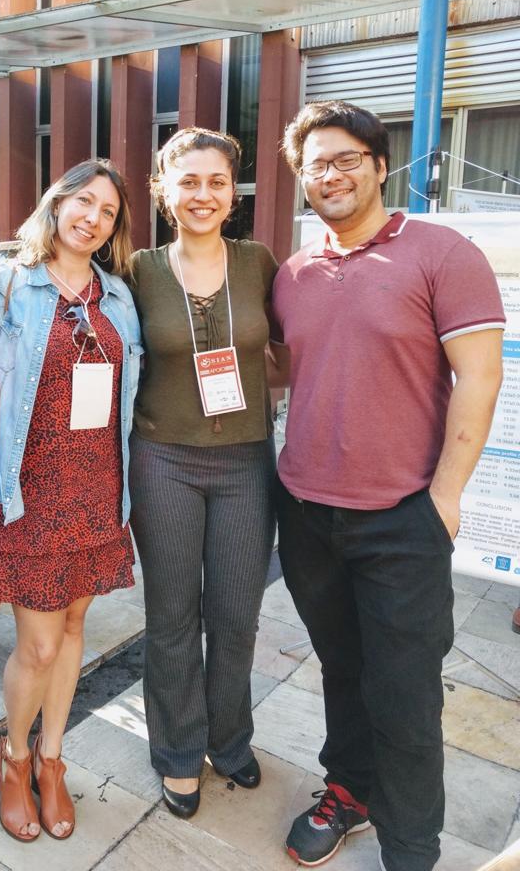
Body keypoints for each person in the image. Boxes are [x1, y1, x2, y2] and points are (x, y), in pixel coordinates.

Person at [269, 101, 505, 871]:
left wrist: (445, 498)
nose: (330, 176)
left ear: (378, 165)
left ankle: (411, 849)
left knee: (405, 695)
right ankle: (350, 792)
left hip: (401, 519)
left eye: (346, 159)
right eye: (315, 165)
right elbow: (296, 368)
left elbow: (481, 377)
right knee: (343, 668)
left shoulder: (443, 253)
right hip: (308, 513)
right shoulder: (295, 273)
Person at [0, 158, 141, 843]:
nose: (92, 218)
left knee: (73, 630)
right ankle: (13, 758)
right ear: (56, 203)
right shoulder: (9, 283)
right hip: (31, 492)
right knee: (38, 645)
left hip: (99, 489)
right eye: (83, 201)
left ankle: (51, 759)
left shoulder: (119, 296)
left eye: (108, 212)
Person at [127, 127, 278, 819]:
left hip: (246, 460)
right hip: (163, 459)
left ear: (232, 192)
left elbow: (294, 344)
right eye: (188, 181)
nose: (203, 194)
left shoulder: (258, 263)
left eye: (216, 181)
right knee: (173, 615)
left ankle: (230, 738)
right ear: (164, 190)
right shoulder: (139, 271)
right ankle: (179, 751)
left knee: (237, 614)